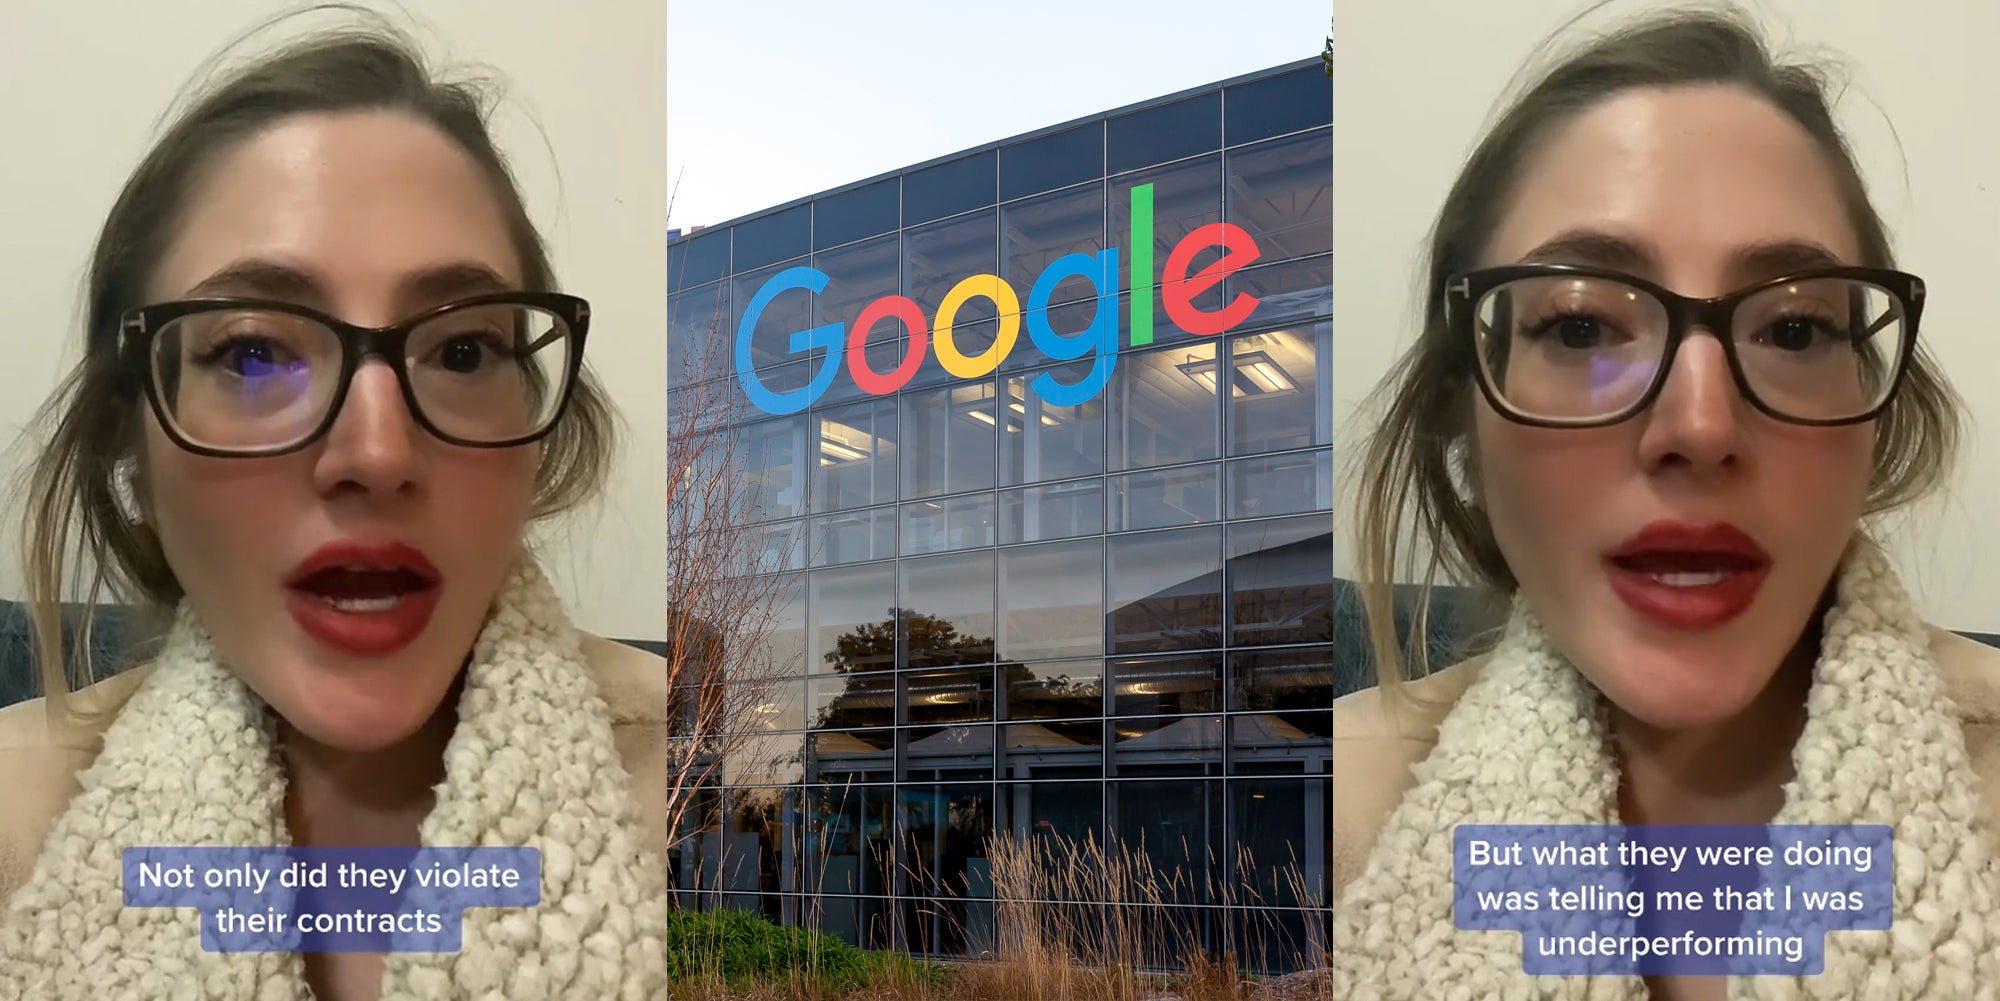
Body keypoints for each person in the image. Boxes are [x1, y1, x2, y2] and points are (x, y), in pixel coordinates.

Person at [1331, 9, 2000, 1000]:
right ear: (1459, 413)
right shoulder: (1330, 821)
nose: (1699, 423)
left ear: (1875, 412)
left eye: (1793, 330)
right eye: (1580, 326)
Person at [0, 17, 667, 1001]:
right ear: (128, 442)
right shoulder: (14, 819)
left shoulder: (683, 784)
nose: (378, 453)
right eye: (252, 354)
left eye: (463, 351)